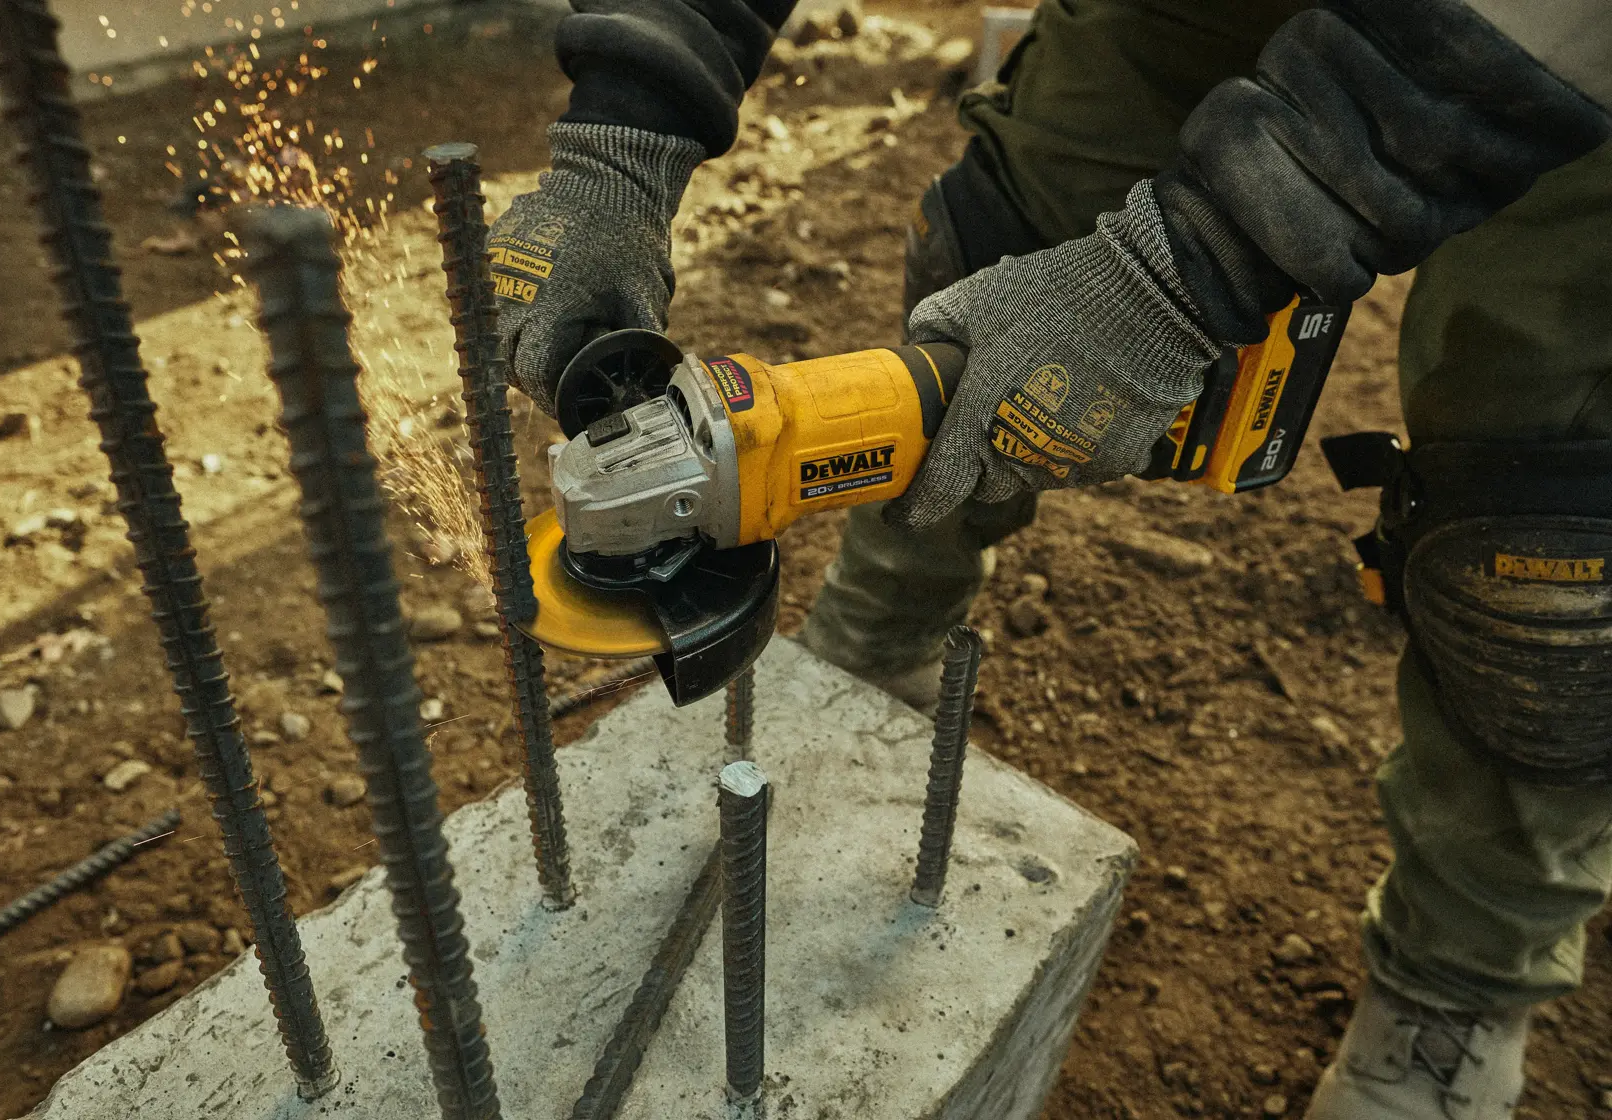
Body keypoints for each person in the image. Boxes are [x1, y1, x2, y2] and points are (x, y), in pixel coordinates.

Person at [487, 0, 1612, 1114]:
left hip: (1555, 56)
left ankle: (1456, 987)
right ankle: (874, 652)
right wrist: (619, 142)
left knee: (1546, 546)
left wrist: (1184, 273)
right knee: (994, 276)